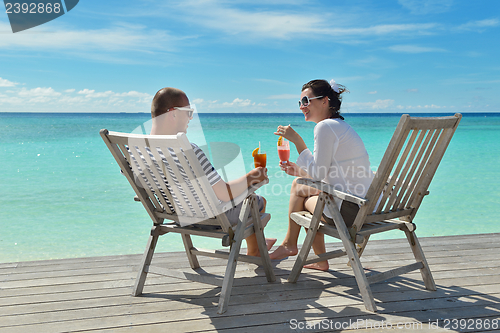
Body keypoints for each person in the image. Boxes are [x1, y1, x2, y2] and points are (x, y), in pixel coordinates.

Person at [150, 87, 276, 256]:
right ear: (173, 114)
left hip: (175, 216)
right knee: (256, 201)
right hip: (209, 219)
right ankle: (255, 250)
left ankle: (259, 244)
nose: (191, 117)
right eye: (188, 112)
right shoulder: (188, 150)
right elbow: (224, 194)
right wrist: (252, 177)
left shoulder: (132, 152)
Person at [269, 79, 373, 270]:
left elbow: (318, 175)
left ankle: (293, 246)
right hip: (369, 206)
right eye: (300, 103)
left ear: (325, 101)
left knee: (302, 197)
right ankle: (303, 251)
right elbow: (329, 174)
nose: (302, 107)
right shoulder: (341, 127)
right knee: (299, 184)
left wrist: (297, 140)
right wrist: (300, 171)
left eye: (306, 101)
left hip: (351, 211)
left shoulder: (324, 127)